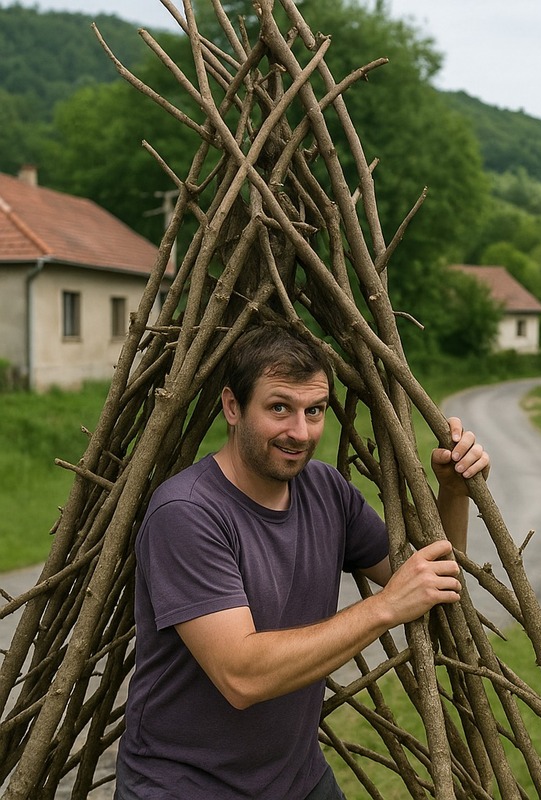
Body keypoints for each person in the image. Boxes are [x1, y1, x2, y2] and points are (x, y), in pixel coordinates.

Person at [115, 323, 489, 800]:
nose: (300, 432)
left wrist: (454, 492)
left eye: (313, 411)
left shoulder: (326, 491)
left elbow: (431, 582)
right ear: (232, 406)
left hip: (297, 780)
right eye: (279, 408)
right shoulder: (187, 514)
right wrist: (385, 607)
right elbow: (241, 675)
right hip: (186, 787)